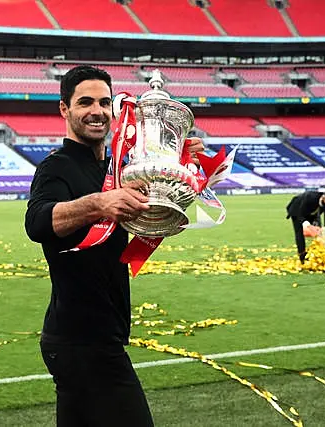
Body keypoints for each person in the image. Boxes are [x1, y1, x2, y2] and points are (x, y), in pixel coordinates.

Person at [25, 65, 204, 426]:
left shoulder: (116, 168)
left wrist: (178, 163)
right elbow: (38, 222)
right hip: (83, 339)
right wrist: (99, 203)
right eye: (85, 102)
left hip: (89, 335)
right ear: (64, 109)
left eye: (105, 102)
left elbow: (145, 206)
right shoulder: (55, 168)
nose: (97, 111)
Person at [285, 189, 325, 263]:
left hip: (312, 213)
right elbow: (300, 214)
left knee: (319, 231)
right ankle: (302, 256)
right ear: (323, 197)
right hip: (297, 210)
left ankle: (320, 254)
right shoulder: (310, 198)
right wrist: (305, 223)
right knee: (299, 232)